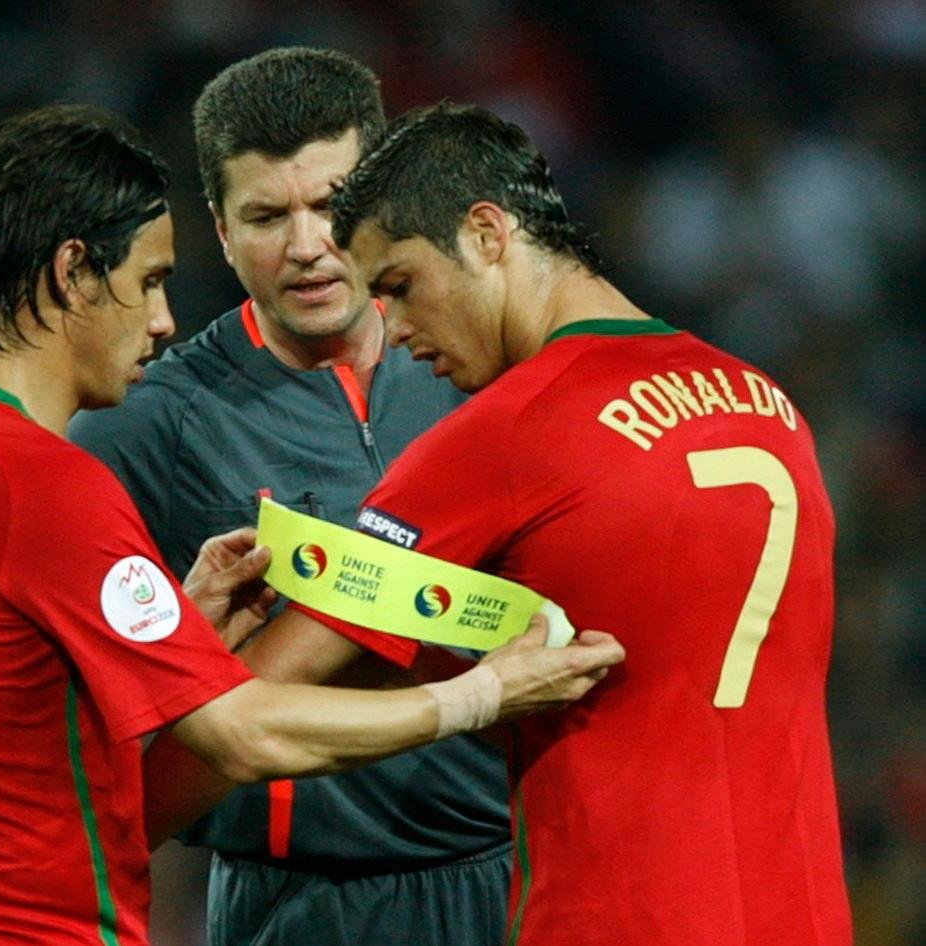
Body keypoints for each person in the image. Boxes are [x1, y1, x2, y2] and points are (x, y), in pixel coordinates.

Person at [0, 102, 624, 945]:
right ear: (72, 274)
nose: (161, 320)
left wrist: (176, 621)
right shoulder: (43, 479)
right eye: (146, 283)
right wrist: (484, 695)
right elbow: (242, 734)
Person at [286, 101, 847, 944]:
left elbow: (262, 695)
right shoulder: (772, 409)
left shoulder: (511, 431)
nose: (392, 330)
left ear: (486, 233)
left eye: (399, 286)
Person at [69, 47, 518, 946]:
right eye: (268, 215)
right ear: (222, 230)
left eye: (331, 205)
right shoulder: (156, 422)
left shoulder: (482, 368)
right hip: (301, 907)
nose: (308, 245)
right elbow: (14, 590)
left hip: (514, 880)